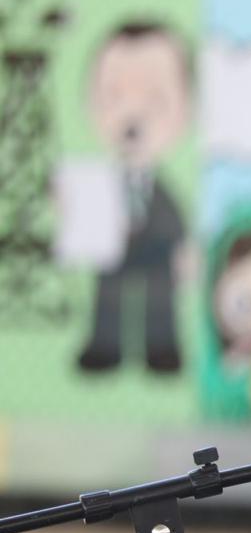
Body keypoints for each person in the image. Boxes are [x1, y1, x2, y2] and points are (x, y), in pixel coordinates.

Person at [77, 22, 191, 373]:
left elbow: (172, 215)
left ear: (185, 110)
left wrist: (182, 248)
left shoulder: (160, 186)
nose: (132, 118)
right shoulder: (101, 183)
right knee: (108, 296)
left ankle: (161, 349)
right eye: (113, 97)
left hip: (156, 249)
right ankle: (104, 348)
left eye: (155, 101)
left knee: (159, 299)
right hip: (114, 249)